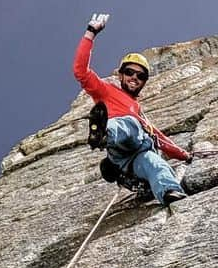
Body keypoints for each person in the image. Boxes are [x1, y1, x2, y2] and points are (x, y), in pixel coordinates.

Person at [73, 13, 191, 204]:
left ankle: (169, 192)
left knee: (156, 162)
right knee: (128, 124)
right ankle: (104, 134)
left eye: (140, 76)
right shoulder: (107, 91)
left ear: (144, 82)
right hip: (119, 145)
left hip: (136, 159)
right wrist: (90, 33)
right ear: (121, 75)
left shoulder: (138, 111)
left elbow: (160, 139)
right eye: (129, 72)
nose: (134, 78)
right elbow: (80, 71)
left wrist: (184, 155)